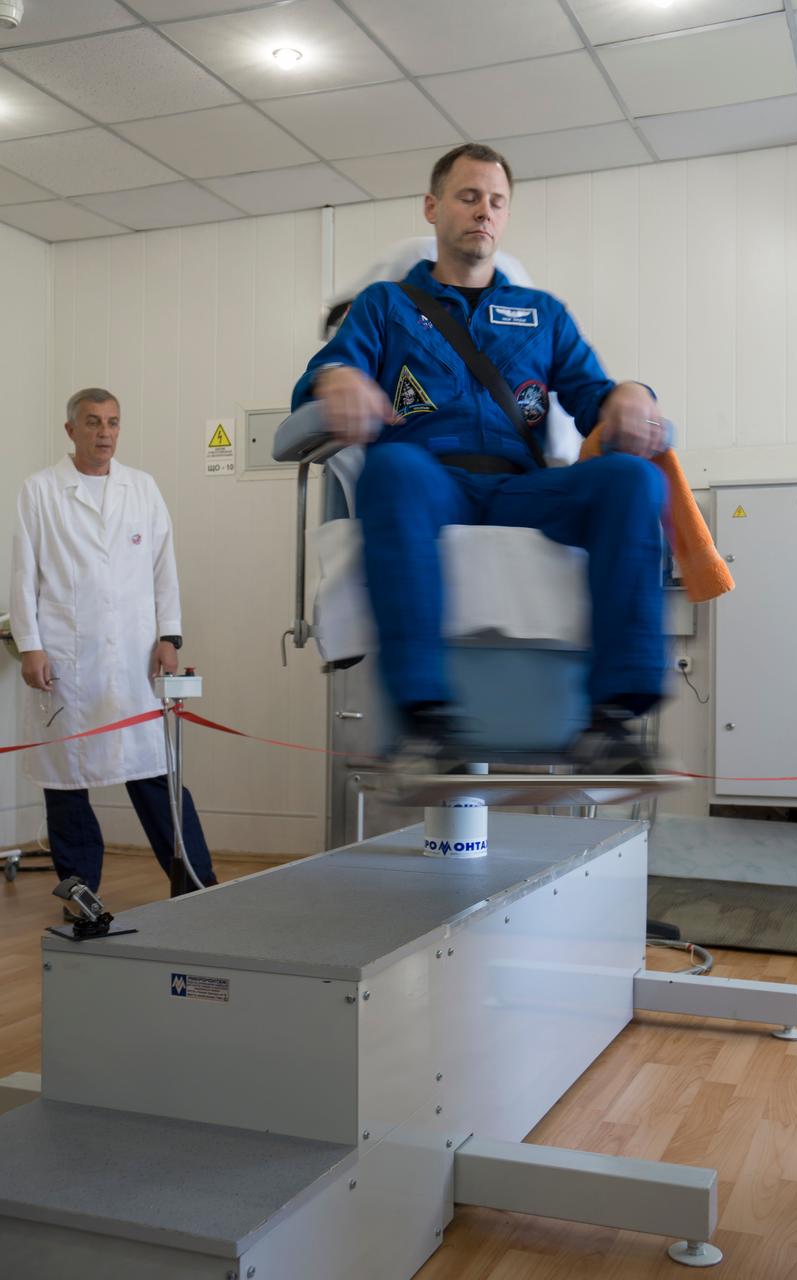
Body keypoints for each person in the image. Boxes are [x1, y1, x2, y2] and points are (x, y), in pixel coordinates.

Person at [292, 143, 669, 771]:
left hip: (523, 491)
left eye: (497, 202)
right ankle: (425, 719)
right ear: (433, 208)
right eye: (468, 197)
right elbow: (321, 377)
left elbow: (596, 401)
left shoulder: (544, 316)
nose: (483, 213)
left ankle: (613, 720)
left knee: (629, 479)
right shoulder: (385, 306)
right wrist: (337, 382)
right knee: (393, 466)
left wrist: (636, 398)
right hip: (429, 481)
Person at [10, 388, 216, 895]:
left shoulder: (142, 488)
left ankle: (196, 883)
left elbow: (163, 568)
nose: (105, 433)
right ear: (71, 430)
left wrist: (169, 636)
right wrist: (30, 644)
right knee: (66, 782)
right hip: (65, 661)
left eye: (113, 422)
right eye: (93, 422)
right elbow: (22, 576)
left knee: (153, 771)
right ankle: (81, 892)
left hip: (133, 659)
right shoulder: (39, 491)